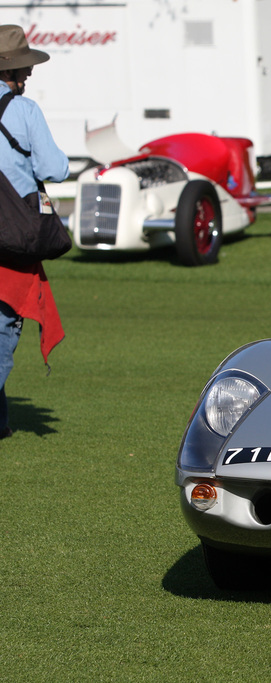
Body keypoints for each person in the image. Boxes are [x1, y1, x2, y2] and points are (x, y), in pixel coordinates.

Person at [0, 25, 68, 440]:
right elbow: (55, 168)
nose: (27, 78)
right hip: (11, 239)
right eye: (24, 70)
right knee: (3, 331)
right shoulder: (24, 111)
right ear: (16, 72)